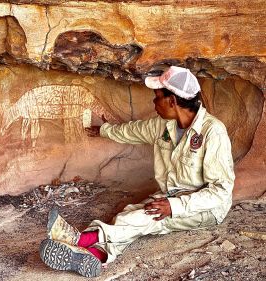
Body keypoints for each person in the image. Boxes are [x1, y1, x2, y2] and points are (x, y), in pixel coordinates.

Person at [39, 66, 235, 277]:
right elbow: (134, 131)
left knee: (144, 218)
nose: (153, 102)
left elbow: (221, 191)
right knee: (128, 213)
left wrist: (174, 206)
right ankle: (96, 255)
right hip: (171, 195)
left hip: (205, 209)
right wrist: (104, 130)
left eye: (157, 97)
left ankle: (81, 240)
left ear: (172, 101)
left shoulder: (212, 132)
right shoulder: (164, 126)